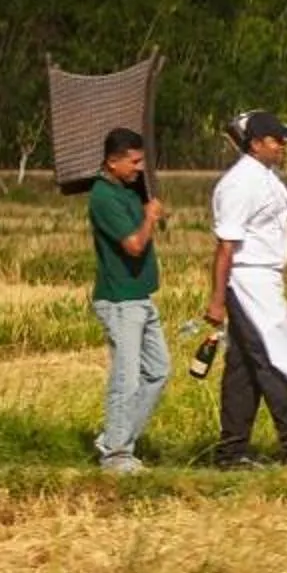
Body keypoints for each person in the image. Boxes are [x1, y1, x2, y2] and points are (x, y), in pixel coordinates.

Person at [205, 110, 287, 468]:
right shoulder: (239, 184)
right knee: (271, 362)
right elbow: (225, 247)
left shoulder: (266, 177)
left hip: (265, 280)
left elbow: (260, 224)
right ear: (257, 143)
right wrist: (217, 301)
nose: (283, 146)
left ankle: (231, 452)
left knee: (243, 370)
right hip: (247, 283)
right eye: (277, 140)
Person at [86, 127, 169, 475]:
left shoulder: (128, 192)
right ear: (112, 162)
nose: (139, 168)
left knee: (159, 371)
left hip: (139, 297)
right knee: (127, 378)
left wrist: (152, 214)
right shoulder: (103, 198)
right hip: (120, 300)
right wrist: (149, 218)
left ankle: (115, 438)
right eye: (133, 162)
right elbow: (133, 245)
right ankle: (117, 455)